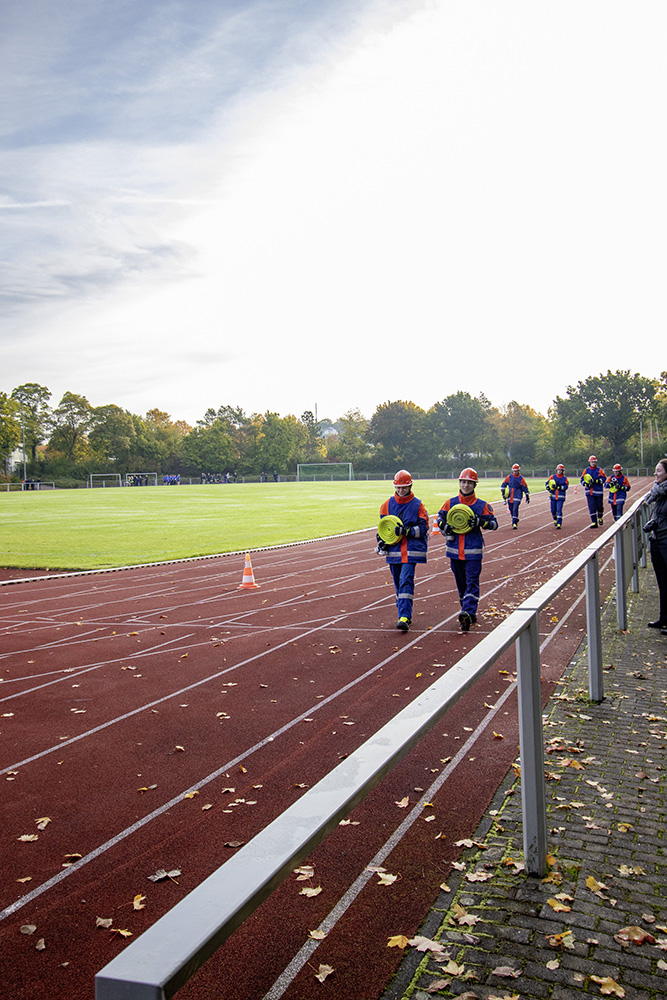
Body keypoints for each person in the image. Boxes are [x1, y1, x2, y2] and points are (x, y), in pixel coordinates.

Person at [436, 468, 498, 632]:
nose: (466, 485)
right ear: (460, 483)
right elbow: (439, 519)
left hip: (473, 551)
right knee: (461, 584)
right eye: (463, 482)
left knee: (472, 582)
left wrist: (480, 521)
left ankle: (467, 611)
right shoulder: (450, 503)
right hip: (454, 551)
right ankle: (469, 611)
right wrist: (445, 526)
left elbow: (494, 524)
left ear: (474, 485)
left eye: (469, 483)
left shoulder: (482, 505)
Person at [376, 470, 429, 632]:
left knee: (406, 580)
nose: (401, 491)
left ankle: (404, 616)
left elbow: (423, 528)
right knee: (398, 583)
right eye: (398, 488)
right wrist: (381, 541)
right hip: (393, 552)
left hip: (411, 551)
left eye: (404, 488)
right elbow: (383, 529)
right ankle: (404, 614)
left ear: (410, 486)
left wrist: (407, 531)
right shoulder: (386, 505)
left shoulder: (418, 504)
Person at [644, 459, 667, 635]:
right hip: (658, 540)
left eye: (658, 471)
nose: (655, 474)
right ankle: (664, 618)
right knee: (662, 582)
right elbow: (647, 499)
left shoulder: (661, 491)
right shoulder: (658, 491)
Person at [501, 463, 530, 529]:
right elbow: (504, 484)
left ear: (518, 471)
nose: (515, 472)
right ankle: (515, 519)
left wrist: (527, 495)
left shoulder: (521, 478)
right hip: (510, 496)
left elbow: (525, 487)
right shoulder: (509, 477)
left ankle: (514, 523)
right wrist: (503, 491)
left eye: (516, 471)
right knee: (511, 509)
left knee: (515, 508)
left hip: (517, 496)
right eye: (514, 471)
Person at [580, 455, 606, 528]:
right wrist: (585, 483)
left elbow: (604, 478)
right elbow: (582, 479)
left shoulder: (599, 470)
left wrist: (596, 481)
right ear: (589, 462)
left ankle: (600, 517)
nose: (593, 463)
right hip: (589, 492)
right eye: (592, 462)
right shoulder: (586, 470)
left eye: (594, 462)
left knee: (599, 507)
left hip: (598, 492)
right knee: (592, 507)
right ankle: (594, 522)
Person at [545, 464, 569, 529]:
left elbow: (566, 486)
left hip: (560, 497)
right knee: (553, 510)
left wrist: (559, 487)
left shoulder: (564, 478)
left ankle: (559, 523)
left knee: (559, 510)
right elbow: (547, 483)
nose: (559, 471)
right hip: (553, 497)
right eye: (558, 470)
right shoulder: (552, 477)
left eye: (561, 470)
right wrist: (548, 488)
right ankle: (555, 519)